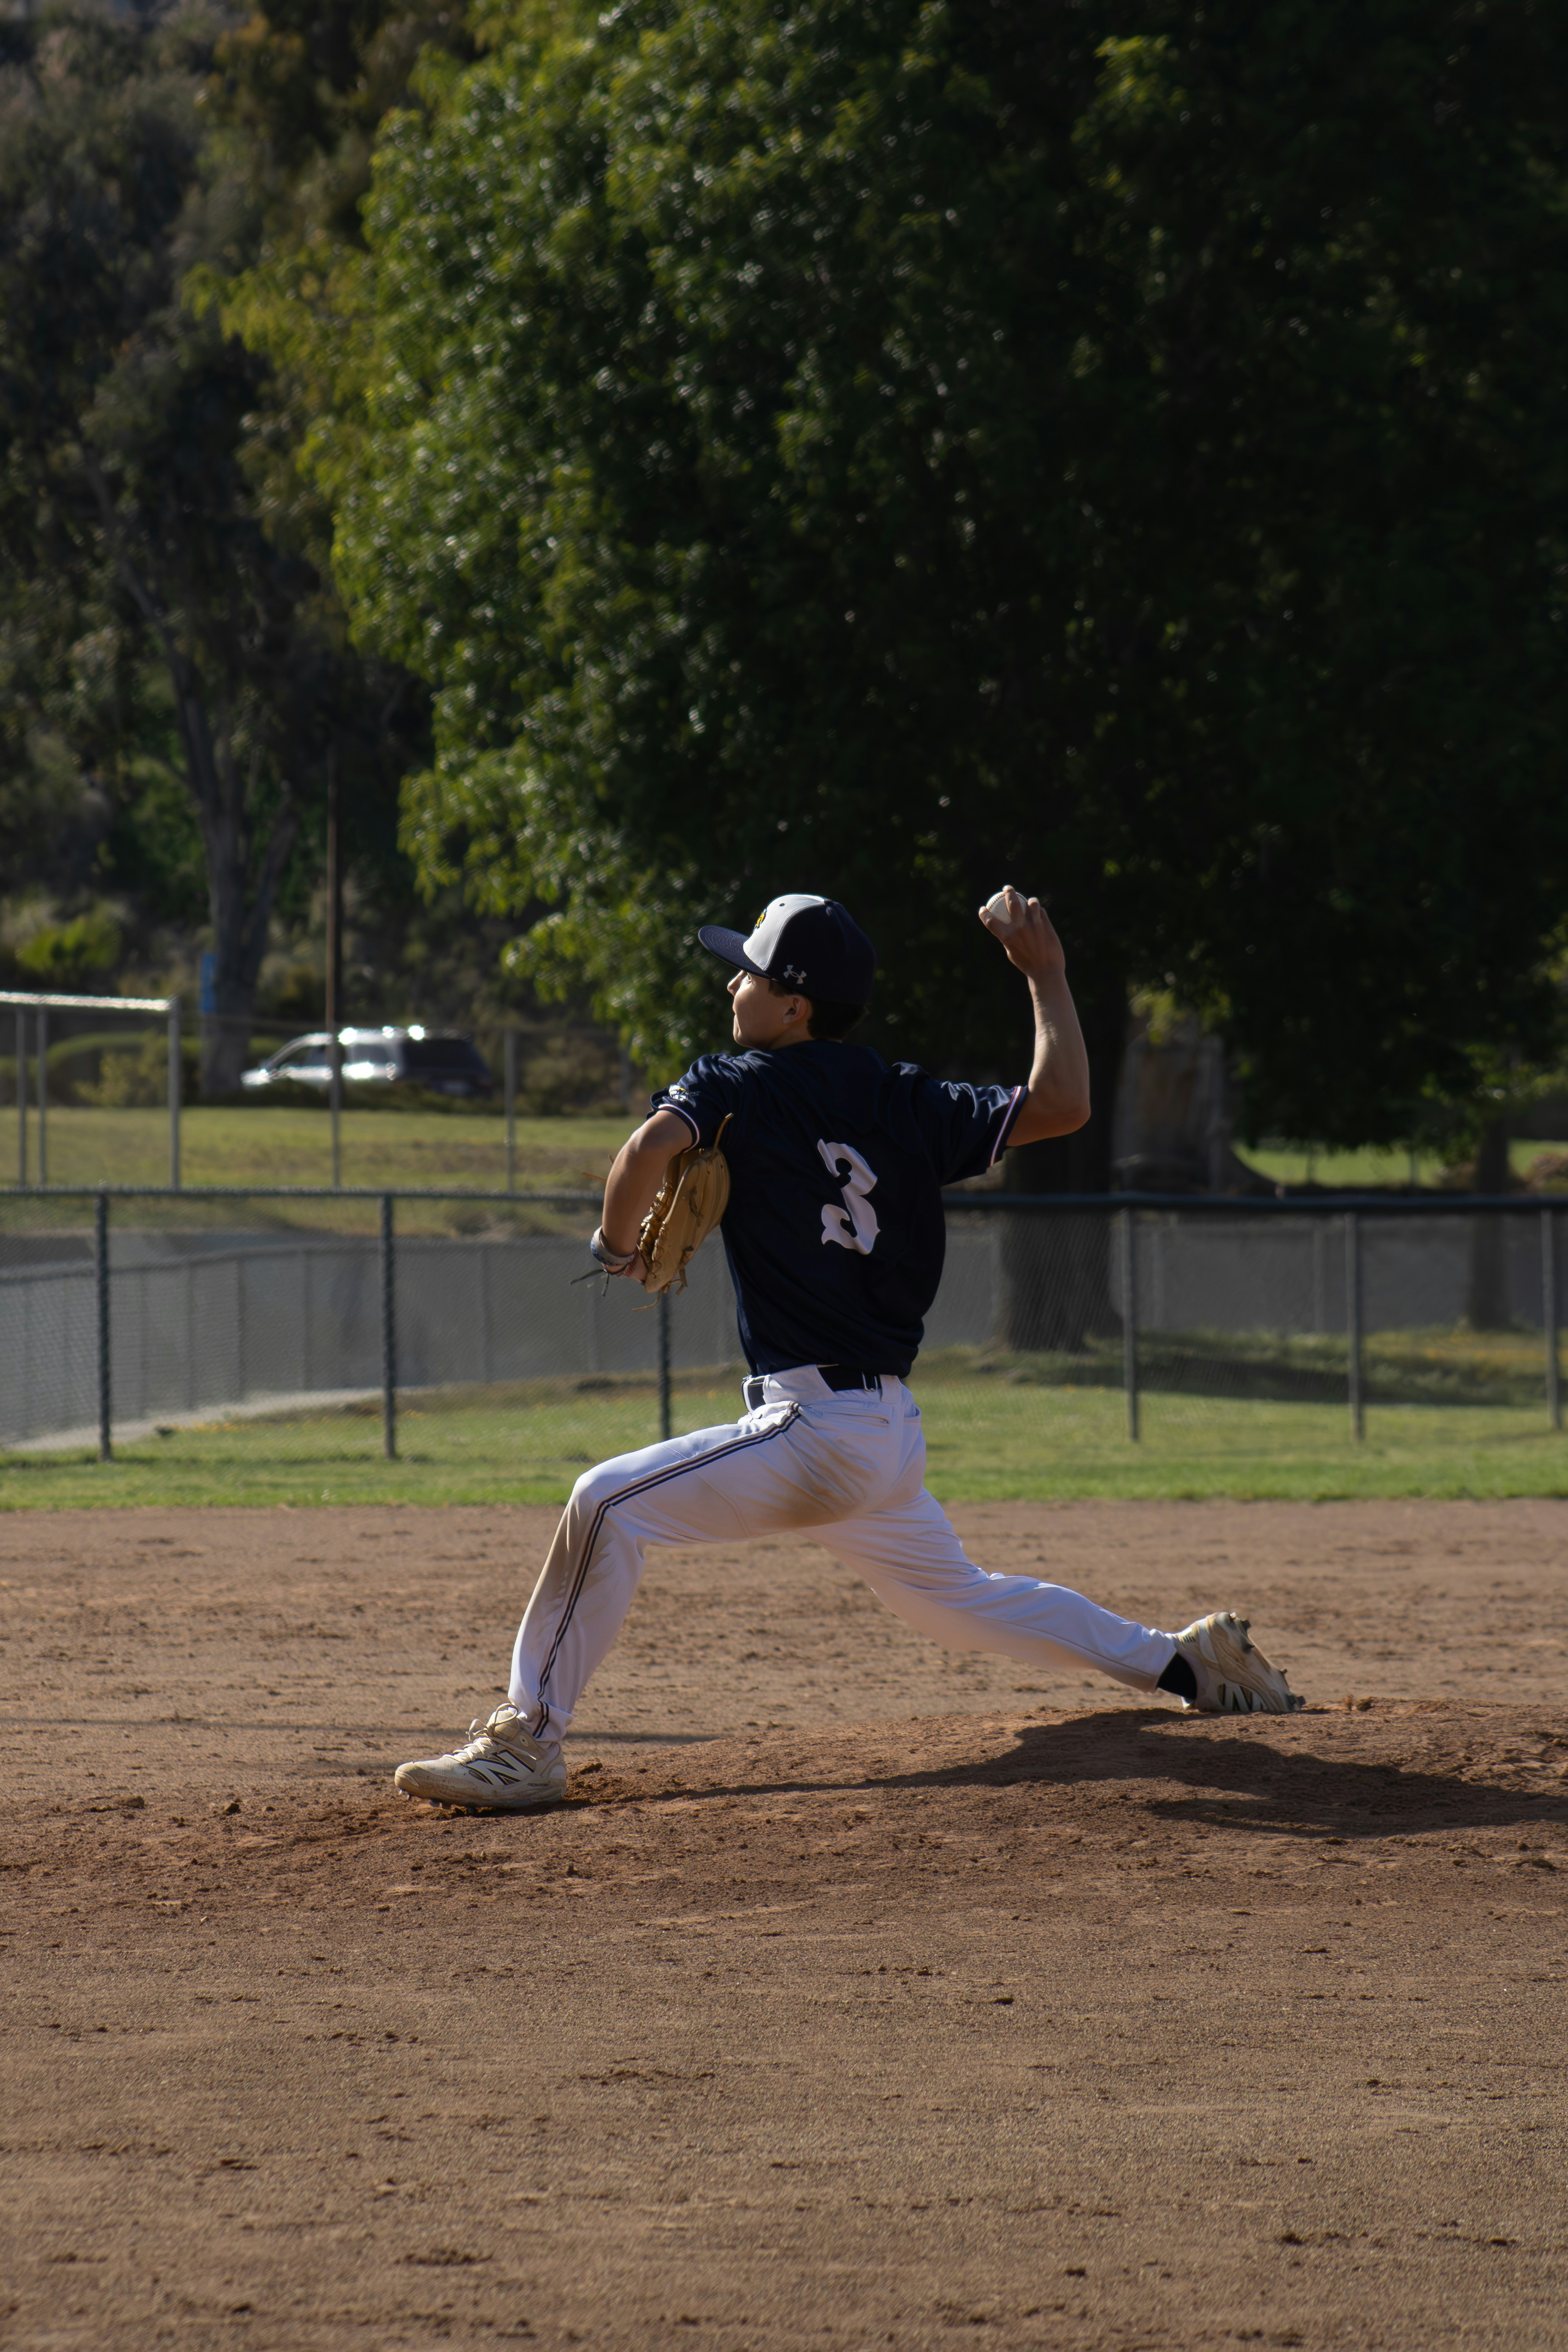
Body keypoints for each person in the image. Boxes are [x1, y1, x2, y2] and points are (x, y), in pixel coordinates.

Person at [395, 888, 1303, 1811]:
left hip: (814, 1432)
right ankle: (1188, 1668)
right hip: (881, 1435)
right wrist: (1046, 975)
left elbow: (642, 1154)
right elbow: (1064, 1104)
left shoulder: (735, 1084)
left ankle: (528, 1742)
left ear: (794, 1005)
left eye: (748, 971)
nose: (732, 985)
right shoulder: (905, 1098)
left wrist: (615, 1249)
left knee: (605, 1504)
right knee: (959, 1602)